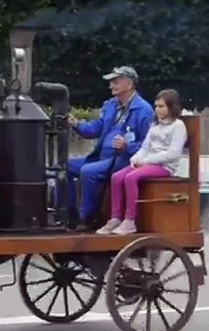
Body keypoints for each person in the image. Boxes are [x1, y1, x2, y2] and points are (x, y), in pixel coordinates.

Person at [65, 66, 154, 231]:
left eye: (115, 82)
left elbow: (149, 144)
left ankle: (88, 218)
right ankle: (69, 214)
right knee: (67, 166)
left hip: (124, 160)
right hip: (102, 158)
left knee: (88, 171)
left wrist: (127, 146)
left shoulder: (144, 110)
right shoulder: (110, 105)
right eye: (111, 82)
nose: (111, 86)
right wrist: (77, 124)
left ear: (129, 84)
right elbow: (96, 128)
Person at [96, 89, 188, 235]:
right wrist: (136, 158)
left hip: (164, 167)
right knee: (117, 177)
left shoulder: (178, 126)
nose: (157, 109)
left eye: (161, 106)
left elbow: (173, 154)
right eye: (156, 106)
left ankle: (130, 220)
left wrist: (146, 161)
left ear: (172, 107)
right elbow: (145, 147)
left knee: (131, 177)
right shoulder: (155, 126)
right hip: (148, 163)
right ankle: (115, 218)